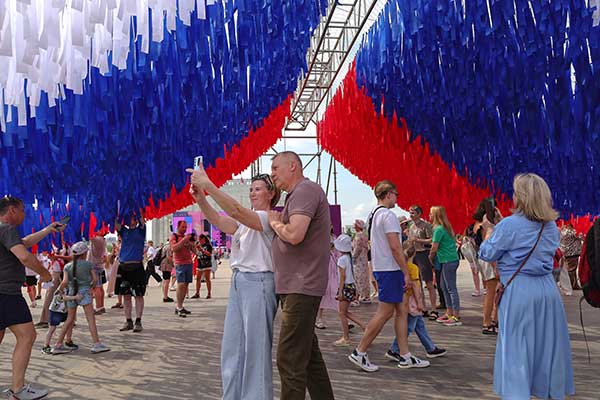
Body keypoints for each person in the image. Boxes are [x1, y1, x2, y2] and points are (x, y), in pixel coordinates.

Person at [188, 164, 280, 400]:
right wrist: (201, 200)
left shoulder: (269, 218)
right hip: (239, 281)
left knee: (256, 351)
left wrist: (208, 185)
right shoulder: (244, 224)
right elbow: (219, 220)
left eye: (258, 189)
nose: (252, 193)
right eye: (251, 189)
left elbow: (237, 211)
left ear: (271, 194)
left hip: (260, 282)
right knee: (233, 348)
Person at [479, 173, 575, 399]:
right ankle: (546, 388)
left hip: (519, 289)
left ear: (521, 196)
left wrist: (490, 230)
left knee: (517, 345)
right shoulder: (550, 226)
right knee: (546, 343)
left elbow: (487, 253)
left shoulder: (509, 225)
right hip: (547, 288)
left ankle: (518, 392)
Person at [267, 151, 335, 399]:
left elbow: (295, 234)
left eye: (276, 168)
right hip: (297, 285)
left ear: (293, 166)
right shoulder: (298, 194)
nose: (273, 174)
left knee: (290, 358)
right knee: (308, 357)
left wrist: (275, 222)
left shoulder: (304, 191)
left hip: (301, 285)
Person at [348, 180, 429, 372]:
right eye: (396, 194)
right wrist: (405, 271)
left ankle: (405, 354)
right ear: (388, 194)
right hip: (390, 269)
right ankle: (360, 351)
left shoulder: (373, 214)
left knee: (401, 310)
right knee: (385, 312)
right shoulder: (388, 215)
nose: (397, 198)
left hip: (382, 267)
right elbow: (395, 246)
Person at [0, 196, 62, 400]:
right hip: (7, 293)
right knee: (27, 336)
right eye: (22, 210)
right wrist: (45, 274)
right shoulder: (7, 229)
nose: (25, 214)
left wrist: (47, 230)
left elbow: (25, 242)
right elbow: (25, 256)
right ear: (12, 210)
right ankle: (18, 390)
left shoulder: (4, 232)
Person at [387, 244, 446, 359]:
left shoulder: (399, 266)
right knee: (408, 327)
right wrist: (420, 303)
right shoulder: (413, 268)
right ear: (414, 253)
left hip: (404, 298)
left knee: (419, 325)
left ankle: (430, 347)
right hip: (412, 301)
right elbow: (416, 286)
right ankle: (394, 349)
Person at [52, 241, 110, 355]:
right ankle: (96, 344)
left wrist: (59, 291)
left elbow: (64, 282)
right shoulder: (88, 264)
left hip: (71, 293)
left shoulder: (67, 266)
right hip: (85, 292)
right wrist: (91, 287)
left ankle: (58, 344)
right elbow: (95, 279)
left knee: (69, 319)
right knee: (90, 319)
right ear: (84, 253)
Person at [428, 206, 461, 326]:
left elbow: (434, 247)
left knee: (450, 288)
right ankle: (449, 312)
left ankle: (455, 315)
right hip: (449, 260)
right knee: (443, 286)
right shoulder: (445, 228)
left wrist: (430, 257)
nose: (429, 216)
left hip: (448, 260)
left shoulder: (438, 229)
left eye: (431, 214)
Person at [473, 198, 501, 334]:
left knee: (492, 291)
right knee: (492, 292)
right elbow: (491, 245)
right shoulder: (488, 223)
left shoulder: (477, 224)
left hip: (483, 258)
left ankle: (491, 320)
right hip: (490, 259)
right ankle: (488, 322)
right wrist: (495, 265)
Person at [115, 213, 147, 332]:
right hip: (124, 266)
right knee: (126, 295)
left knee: (138, 295)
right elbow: (116, 222)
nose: (129, 219)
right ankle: (128, 321)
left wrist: (137, 209)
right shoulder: (124, 231)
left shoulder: (141, 230)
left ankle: (138, 321)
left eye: (132, 217)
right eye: (128, 217)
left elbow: (142, 219)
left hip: (137, 266)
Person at [333, 234, 365, 346]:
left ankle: (346, 338)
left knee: (342, 313)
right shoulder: (349, 258)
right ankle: (364, 326)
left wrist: (340, 291)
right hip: (351, 286)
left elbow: (342, 277)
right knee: (345, 312)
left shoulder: (341, 259)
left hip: (345, 287)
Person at [407, 205, 437, 318]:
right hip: (414, 255)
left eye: (413, 213)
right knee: (417, 282)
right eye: (410, 213)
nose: (411, 215)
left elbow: (432, 240)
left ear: (419, 214)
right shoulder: (411, 227)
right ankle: (422, 307)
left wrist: (418, 240)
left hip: (424, 254)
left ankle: (433, 309)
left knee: (428, 282)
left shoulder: (426, 225)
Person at [170, 220, 195, 317]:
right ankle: (179, 306)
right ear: (178, 227)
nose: (184, 229)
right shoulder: (174, 236)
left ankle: (180, 306)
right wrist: (184, 240)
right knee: (180, 285)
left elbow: (194, 250)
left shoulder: (186, 237)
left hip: (189, 263)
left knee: (186, 285)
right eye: (183, 227)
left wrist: (192, 244)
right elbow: (174, 248)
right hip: (180, 263)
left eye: (185, 227)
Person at [315, 236, 339, 330]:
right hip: (322, 271)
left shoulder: (334, 237)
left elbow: (338, 253)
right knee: (322, 295)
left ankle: (344, 318)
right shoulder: (318, 235)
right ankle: (319, 319)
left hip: (333, 271)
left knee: (336, 293)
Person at [87, 235, 108, 315]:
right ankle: (101, 306)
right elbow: (105, 258)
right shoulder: (103, 241)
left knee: (97, 288)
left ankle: (98, 307)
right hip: (99, 266)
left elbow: (88, 235)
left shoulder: (97, 240)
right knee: (100, 288)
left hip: (94, 267)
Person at [351, 220, 370, 303]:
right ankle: (366, 295)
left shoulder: (359, 236)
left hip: (359, 259)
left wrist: (353, 257)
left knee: (359, 277)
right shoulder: (364, 235)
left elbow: (357, 249)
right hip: (364, 258)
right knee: (364, 277)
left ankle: (358, 296)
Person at [192, 234, 213, 299]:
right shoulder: (198, 245)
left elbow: (209, 254)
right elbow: (196, 253)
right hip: (200, 263)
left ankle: (209, 293)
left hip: (206, 263)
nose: (199, 240)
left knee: (207, 279)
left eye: (200, 239)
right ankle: (197, 293)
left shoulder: (208, 245)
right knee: (198, 279)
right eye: (199, 239)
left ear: (204, 239)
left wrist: (202, 250)